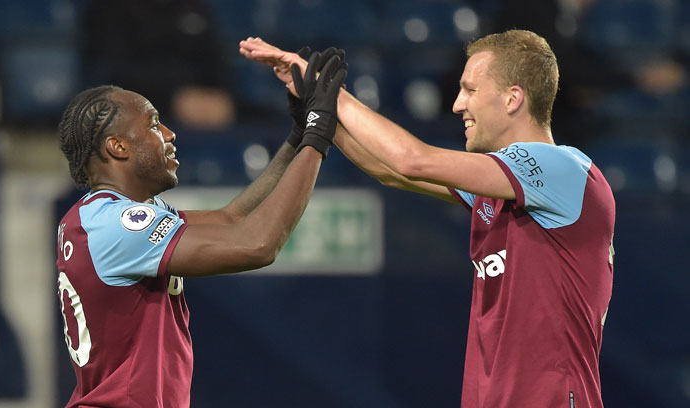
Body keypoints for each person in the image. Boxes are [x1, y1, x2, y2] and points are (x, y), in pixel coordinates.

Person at [240, 30, 615, 407]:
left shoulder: (561, 168)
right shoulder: (503, 183)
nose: (456, 104)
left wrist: (333, 95)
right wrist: (321, 115)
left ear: (512, 98)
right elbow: (394, 173)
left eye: (470, 90)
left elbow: (412, 159)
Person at [55, 49, 346, 407]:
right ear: (117, 146)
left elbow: (232, 218)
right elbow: (258, 244)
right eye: (152, 123)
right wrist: (319, 137)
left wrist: (298, 136)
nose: (169, 132)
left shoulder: (99, 218)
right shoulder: (116, 226)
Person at [82, 0, 236, 129]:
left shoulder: (194, 7)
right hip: (138, 116)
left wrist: (222, 97)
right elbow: (115, 73)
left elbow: (216, 63)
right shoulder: (111, 9)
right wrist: (174, 99)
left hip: (198, 114)